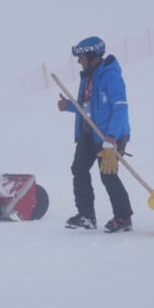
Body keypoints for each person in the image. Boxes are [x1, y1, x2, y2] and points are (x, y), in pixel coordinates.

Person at [57, 36, 134, 232]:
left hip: (109, 136)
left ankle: (123, 218)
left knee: (108, 175)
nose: (78, 61)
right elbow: (87, 107)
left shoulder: (110, 76)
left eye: (81, 57)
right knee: (79, 170)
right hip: (89, 134)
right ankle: (86, 216)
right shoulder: (88, 77)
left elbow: (120, 107)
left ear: (92, 56)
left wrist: (112, 137)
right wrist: (68, 106)